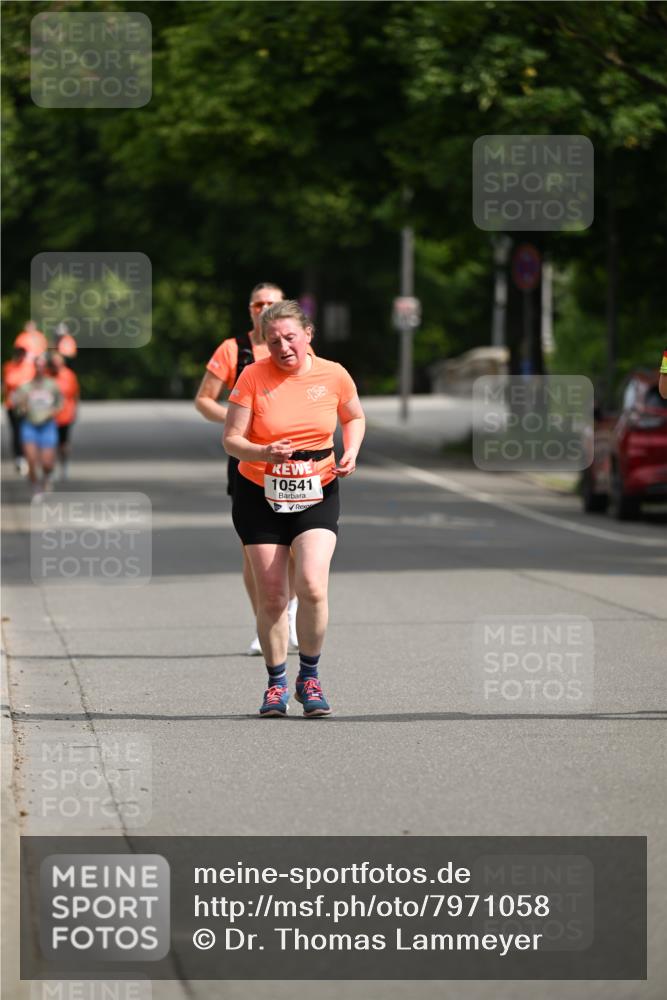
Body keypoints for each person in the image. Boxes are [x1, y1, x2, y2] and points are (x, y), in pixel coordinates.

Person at [223, 300, 365, 718]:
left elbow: (354, 416)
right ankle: (276, 683)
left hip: (316, 488)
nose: (283, 347)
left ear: (308, 334)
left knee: (312, 586)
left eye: (289, 337)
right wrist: (265, 451)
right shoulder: (252, 376)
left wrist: (351, 450)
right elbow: (231, 439)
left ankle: (310, 676)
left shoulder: (333, 374)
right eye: (273, 341)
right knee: (271, 596)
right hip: (259, 492)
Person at [195, 282, 301, 655]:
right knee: (255, 548)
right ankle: (265, 621)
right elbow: (204, 400)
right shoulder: (234, 349)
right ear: (250, 309)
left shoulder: (295, 345)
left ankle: (288, 613)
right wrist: (237, 418)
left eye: (272, 302)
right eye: (258, 303)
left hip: (292, 460)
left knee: (292, 546)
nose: (264, 308)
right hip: (247, 457)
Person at [13, 353, 63, 496]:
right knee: (31, 460)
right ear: (33, 367)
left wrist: (54, 411)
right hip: (30, 425)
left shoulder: (52, 385)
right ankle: (35, 486)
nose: (39, 369)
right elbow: (16, 406)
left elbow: (60, 403)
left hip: (47, 425)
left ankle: (47, 476)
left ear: (45, 368)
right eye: (37, 366)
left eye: (42, 366)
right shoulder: (25, 387)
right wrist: (21, 407)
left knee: (47, 463)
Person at [2, 346, 35, 474]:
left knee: (27, 431)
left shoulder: (30, 368)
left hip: (27, 405)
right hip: (12, 405)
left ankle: (28, 455)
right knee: (16, 431)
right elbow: (5, 384)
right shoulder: (8, 366)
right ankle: (19, 457)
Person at [51, 351, 80, 479]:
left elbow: (75, 394)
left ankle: (64, 466)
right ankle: (50, 468)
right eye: (54, 362)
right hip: (49, 416)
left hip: (65, 415)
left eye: (58, 362)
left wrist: (75, 410)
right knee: (50, 443)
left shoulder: (69, 375)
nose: (56, 364)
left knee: (63, 443)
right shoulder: (47, 375)